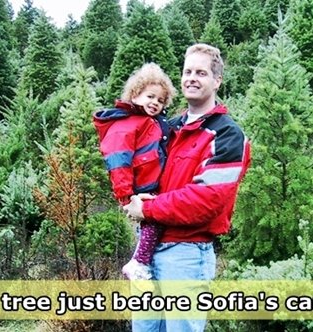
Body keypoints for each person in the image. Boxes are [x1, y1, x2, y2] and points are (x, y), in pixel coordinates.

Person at [123, 44, 251, 331]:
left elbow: (206, 200)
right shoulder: (167, 127)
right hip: (146, 252)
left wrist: (146, 208)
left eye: (201, 72)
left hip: (186, 255)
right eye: (187, 71)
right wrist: (129, 194)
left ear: (217, 80)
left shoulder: (227, 135)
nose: (192, 78)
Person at [93, 62, 176, 280]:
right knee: (153, 221)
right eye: (150, 96)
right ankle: (139, 262)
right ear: (135, 94)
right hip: (141, 187)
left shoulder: (153, 123)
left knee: (154, 224)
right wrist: (126, 197)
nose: (155, 103)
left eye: (160, 100)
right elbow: (118, 162)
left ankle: (142, 262)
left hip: (154, 184)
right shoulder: (126, 124)